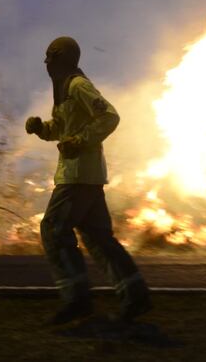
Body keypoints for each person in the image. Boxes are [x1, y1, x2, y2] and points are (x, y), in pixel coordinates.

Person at [26, 36, 151, 326]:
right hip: (85, 176)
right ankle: (135, 296)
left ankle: (77, 300)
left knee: (54, 230)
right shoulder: (63, 89)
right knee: (98, 238)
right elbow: (61, 128)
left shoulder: (78, 85)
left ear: (65, 58)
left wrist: (80, 142)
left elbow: (109, 116)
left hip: (78, 176)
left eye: (51, 56)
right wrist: (41, 129)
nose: (46, 62)